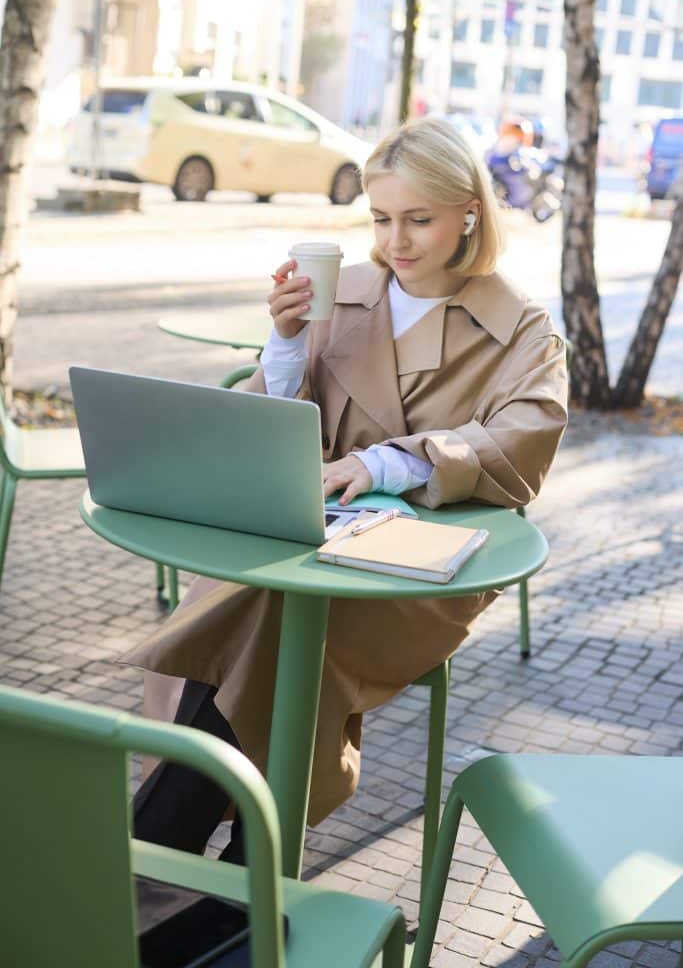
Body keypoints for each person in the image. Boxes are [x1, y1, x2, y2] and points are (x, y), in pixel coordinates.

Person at [128, 115, 568, 865]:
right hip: (312, 532)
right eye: (381, 218)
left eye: (418, 220)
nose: (395, 241)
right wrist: (288, 341)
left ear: (470, 211)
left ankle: (162, 842)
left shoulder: (520, 327)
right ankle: (246, 873)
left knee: (266, 613)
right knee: (266, 604)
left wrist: (388, 464)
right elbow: (270, 430)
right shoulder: (345, 292)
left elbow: (524, 439)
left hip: (426, 563)